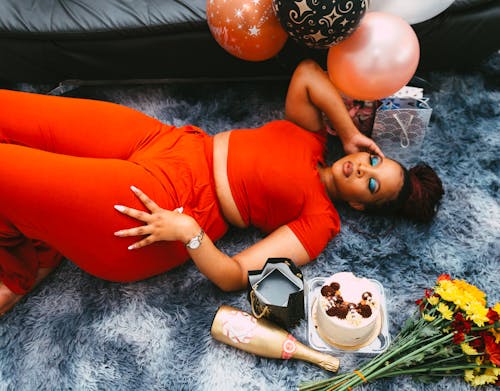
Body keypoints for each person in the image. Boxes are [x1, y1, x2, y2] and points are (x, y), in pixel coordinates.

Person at [0, 60, 443, 316]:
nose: (359, 169)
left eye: (370, 184)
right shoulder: (313, 135)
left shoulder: (320, 221)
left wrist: (188, 231)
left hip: (166, 206)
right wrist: (347, 133)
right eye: (374, 160)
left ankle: (42, 231)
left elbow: (233, 276)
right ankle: (43, 236)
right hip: (165, 142)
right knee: (12, 111)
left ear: (359, 206)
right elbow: (308, 73)